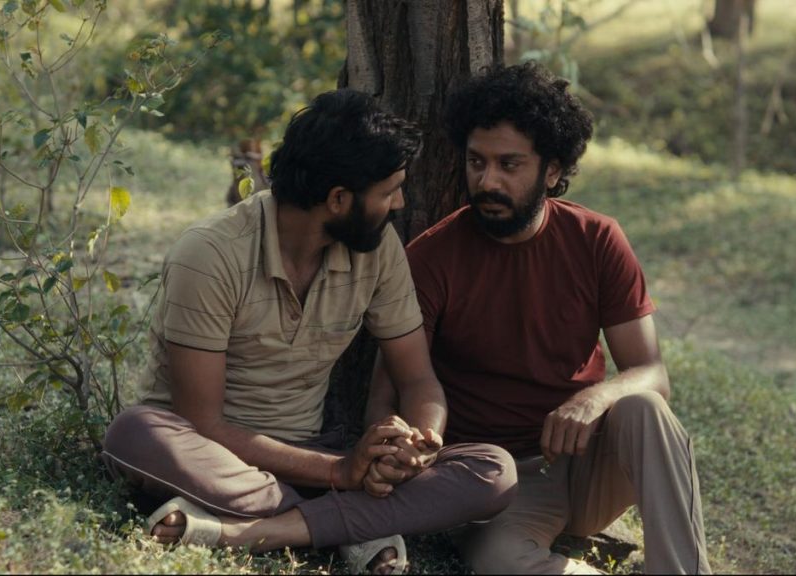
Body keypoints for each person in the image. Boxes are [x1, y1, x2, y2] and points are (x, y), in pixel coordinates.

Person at [100, 89, 517, 575]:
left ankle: (255, 530)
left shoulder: (377, 250)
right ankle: (353, 525)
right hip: (211, 455)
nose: (400, 203)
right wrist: (342, 473)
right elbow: (204, 423)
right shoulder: (210, 255)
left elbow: (418, 380)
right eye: (389, 192)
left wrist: (419, 445)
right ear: (338, 200)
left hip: (312, 452)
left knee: (493, 472)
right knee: (132, 433)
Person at [367, 62, 712, 574]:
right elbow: (389, 387)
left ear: (552, 170)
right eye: (477, 162)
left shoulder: (597, 239)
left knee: (645, 408)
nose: (488, 181)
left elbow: (652, 373)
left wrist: (594, 399)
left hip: (589, 460)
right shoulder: (432, 258)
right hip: (504, 480)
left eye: (510, 164)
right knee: (499, 560)